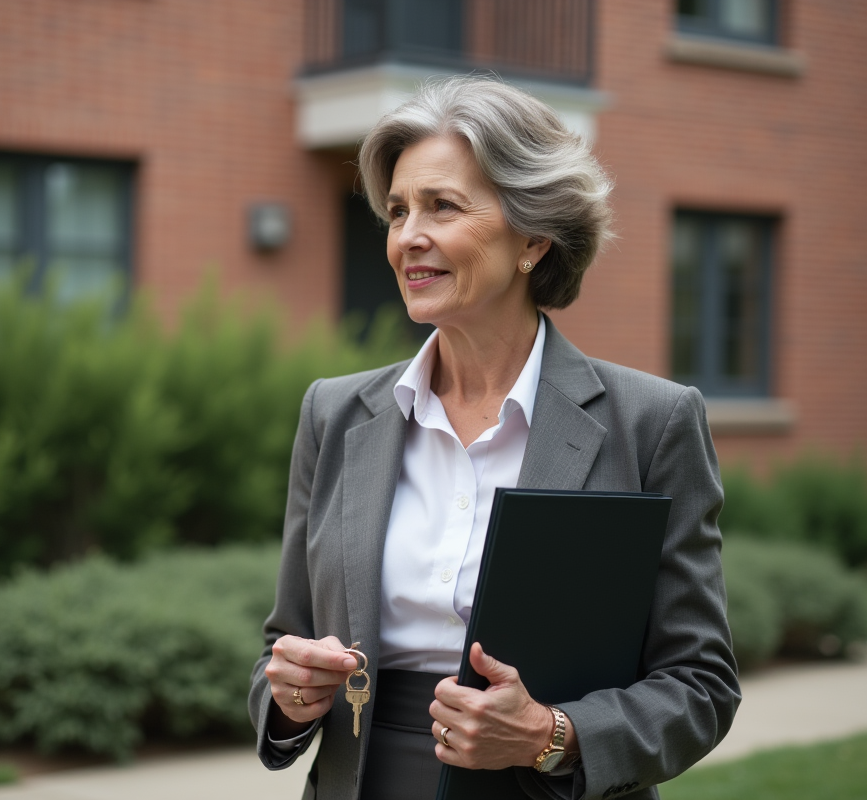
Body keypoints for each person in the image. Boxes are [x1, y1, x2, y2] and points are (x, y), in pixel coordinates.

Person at [248, 76, 739, 800]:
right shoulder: (334, 414)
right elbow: (282, 645)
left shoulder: (651, 422)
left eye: (442, 206)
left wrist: (552, 734)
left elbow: (700, 685)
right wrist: (290, 694)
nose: (408, 237)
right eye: (397, 211)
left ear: (534, 237)